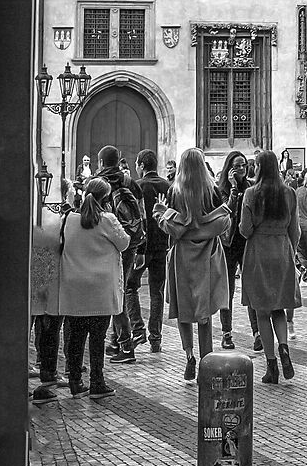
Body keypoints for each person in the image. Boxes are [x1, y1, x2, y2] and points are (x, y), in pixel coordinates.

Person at [162, 147, 232, 379]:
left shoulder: (175, 191)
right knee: (204, 310)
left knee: (184, 307)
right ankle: (206, 360)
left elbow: (171, 226)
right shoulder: (212, 191)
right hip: (207, 253)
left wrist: (163, 215)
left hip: (182, 254)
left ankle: (189, 355)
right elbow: (221, 222)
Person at [57, 177, 130, 397]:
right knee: (98, 337)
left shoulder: (68, 218)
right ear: (106, 199)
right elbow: (125, 242)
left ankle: (75, 382)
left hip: (74, 286)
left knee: (76, 336)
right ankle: (97, 382)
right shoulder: (107, 219)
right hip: (100, 289)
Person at [240, 150, 299, 383]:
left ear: (259, 168)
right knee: (279, 308)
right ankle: (284, 348)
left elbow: (245, 230)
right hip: (282, 250)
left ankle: (271, 364)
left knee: (262, 311)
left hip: (258, 253)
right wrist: (291, 253)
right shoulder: (289, 193)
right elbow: (295, 229)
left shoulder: (251, 194)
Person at [97, 145, 143, 362]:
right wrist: (141, 246)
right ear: (119, 160)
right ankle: (117, 342)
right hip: (130, 242)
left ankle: (125, 345)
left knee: (115, 292)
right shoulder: (129, 182)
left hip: (107, 243)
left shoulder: (97, 183)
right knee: (121, 288)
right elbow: (141, 214)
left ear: (100, 162)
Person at [134, 147, 172, 348]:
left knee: (130, 287)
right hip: (162, 244)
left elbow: (137, 219)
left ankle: (137, 329)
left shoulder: (138, 186)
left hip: (142, 246)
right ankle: (155, 338)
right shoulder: (167, 186)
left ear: (141, 165)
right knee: (157, 291)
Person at [215, 151, 251, 347]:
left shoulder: (251, 187)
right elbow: (225, 213)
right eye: (237, 166)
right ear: (229, 167)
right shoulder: (221, 190)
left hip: (245, 242)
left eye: (244, 165)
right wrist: (234, 189)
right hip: (227, 244)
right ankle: (226, 333)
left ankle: (257, 333)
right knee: (227, 290)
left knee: (251, 286)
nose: (241, 170)